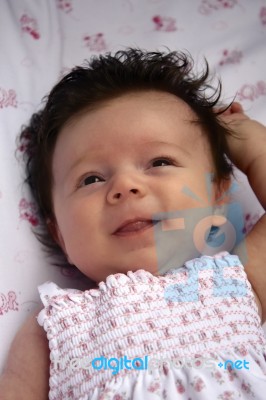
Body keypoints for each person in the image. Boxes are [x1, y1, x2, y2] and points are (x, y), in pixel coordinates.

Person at [0, 48, 266, 399]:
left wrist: (251, 145)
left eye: (159, 161)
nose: (125, 186)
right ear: (59, 233)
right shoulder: (54, 326)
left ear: (218, 195)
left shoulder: (235, 281)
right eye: (91, 179)